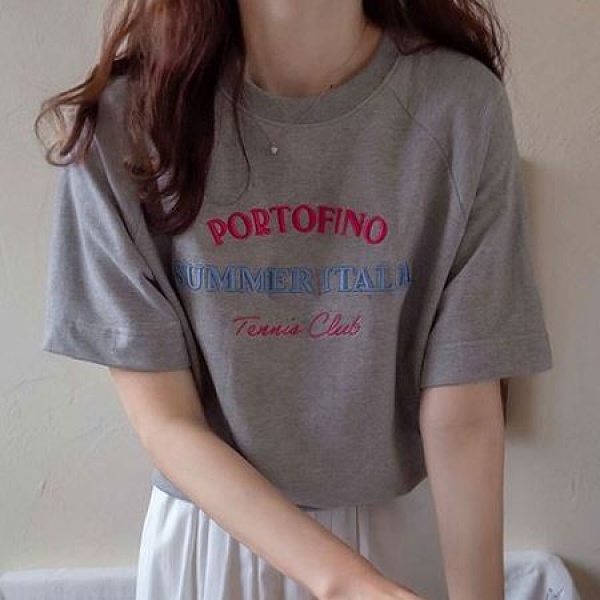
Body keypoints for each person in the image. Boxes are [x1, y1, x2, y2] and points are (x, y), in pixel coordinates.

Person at [35, 1, 554, 599]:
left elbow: (463, 406)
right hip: (212, 539)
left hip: (393, 532)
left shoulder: (460, 107)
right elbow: (167, 422)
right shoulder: (129, 124)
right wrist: (346, 583)